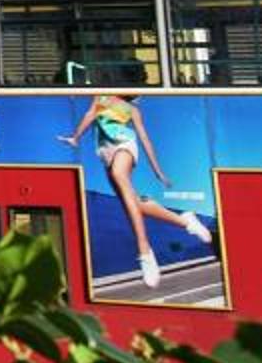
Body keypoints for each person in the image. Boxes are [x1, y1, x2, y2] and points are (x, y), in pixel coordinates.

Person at [62, 92, 208, 289]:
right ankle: (187, 221)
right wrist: (76, 137)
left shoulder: (132, 110)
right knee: (133, 204)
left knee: (119, 174)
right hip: (106, 153)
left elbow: (145, 139)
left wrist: (158, 171)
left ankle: (145, 251)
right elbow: (90, 114)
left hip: (125, 145)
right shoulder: (101, 97)